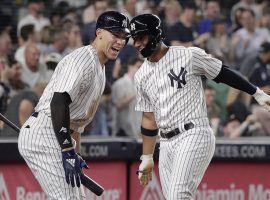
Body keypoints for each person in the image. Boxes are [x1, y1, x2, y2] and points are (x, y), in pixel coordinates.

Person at [130, 14, 270, 199]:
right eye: (134, 39)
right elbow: (149, 118)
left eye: (141, 37)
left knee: (178, 196)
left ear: (156, 34)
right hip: (165, 143)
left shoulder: (188, 55)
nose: (136, 44)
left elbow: (223, 73)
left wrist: (256, 92)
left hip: (193, 133)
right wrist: (147, 157)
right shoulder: (140, 76)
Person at [18, 11, 130, 199]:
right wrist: (68, 151)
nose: (120, 41)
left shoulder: (100, 69)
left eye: (124, 37)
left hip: (58, 134)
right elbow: (58, 102)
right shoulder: (83, 60)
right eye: (116, 35)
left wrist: (75, 153)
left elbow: (76, 124)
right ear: (99, 32)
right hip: (45, 131)